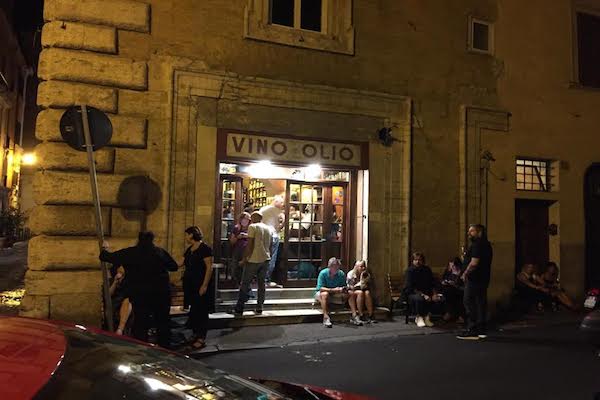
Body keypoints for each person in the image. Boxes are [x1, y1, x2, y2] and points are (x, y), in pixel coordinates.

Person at [100, 231, 178, 348]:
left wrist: (104, 249)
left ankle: (142, 349)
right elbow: (174, 266)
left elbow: (107, 257)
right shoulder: (159, 252)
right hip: (160, 293)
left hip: (141, 294)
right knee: (162, 323)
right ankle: (165, 348)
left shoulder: (131, 252)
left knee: (141, 323)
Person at [457, 224, 493, 340]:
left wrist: (465, 273)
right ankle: (481, 330)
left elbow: (474, 263)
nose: (469, 234)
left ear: (479, 232)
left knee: (469, 302)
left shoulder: (477, 244)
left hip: (474, 279)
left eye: (471, 231)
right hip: (483, 278)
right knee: (480, 303)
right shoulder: (487, 245)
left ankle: (472, 329)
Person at [234, 211, 272, 316]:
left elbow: (250, 245)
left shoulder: (253, 227)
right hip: (266, 259)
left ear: (254, 218)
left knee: (245, 282)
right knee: (261, 284)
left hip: (254, 259)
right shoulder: (268, 228)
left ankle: (239, 307)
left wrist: (244, 259)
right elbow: (271, 245)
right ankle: (259, 307)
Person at [182, 226, 214, 350]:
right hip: (191, 285)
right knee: (194, 310)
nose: (185, 237)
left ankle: (201, 338)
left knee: (201, 311)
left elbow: (209, 267)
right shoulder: (190, 249)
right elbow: (181, 262)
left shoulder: (204, 249)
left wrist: (204, 285)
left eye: (186, 235)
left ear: (191, 235)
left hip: (200, 284)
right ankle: (195, 334)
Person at [315, 257, 362, 328]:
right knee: (325, 294)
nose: (336, 269)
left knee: (350, 293)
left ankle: (354, 315)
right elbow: (320, 288)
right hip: (323, 292)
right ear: (330, 267)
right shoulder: (323, 273)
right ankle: (326, 317)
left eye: (337, 267)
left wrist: (345, 289)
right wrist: (333, 290)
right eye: (334, 267)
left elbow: (344, 286)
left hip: (336, 293)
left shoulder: (341, 274)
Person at [403, 252, 441, 327]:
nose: (417, 262)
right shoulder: (410, 271)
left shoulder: (427, 270)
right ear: (413, 261)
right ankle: (419, 317)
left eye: (419, 260)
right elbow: (410, 287)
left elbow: (432, 283)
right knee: (420, 299)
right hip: (413, 293)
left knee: (438, 298)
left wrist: (434, 293)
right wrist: (423, 295)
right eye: (415, 260)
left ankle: (427, 316)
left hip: (426, 291)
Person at [260, 195, 285, 287]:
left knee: (263, 257)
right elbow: (284, 221)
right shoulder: (278, 211)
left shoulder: (263, 209)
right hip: (273, 235)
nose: (283, 204)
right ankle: (267, 279)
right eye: (281, 202)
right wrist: (280, 227)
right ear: (275, 201)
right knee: (271, 258)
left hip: (263, 236)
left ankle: (260, 279)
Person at [109, 265, 132, 335]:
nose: (121, 268)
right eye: (119, 267)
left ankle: (120, 329)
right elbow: (108, 294)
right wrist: (115, 282)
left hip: (126, 302)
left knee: (127, 301)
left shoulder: (128, 282)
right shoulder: (111, 280)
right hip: (114, 302)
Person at [229, 212, 251, 287]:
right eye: (244, 219)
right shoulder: (236, 228)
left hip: (248, 251)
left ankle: (244, 285)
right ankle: (235, 282)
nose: (245, 221)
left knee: (246, 268)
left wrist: (247, 236)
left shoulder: (251, 228)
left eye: (247, 219)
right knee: (235, 266)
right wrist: (238, 237)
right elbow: (232, 241)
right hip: (237, 250)